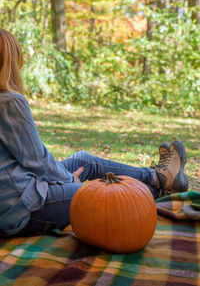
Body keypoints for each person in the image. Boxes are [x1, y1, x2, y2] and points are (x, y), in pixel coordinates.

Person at [0, 28, 189, 238]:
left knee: (84, 160)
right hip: (19, 207)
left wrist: (62, 179)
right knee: (104, 199)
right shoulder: (9, 101)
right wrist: (69, 182)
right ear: (9, 63)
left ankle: (158, 177)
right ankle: (159, 190)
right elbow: (37, 161)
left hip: (17, 189)